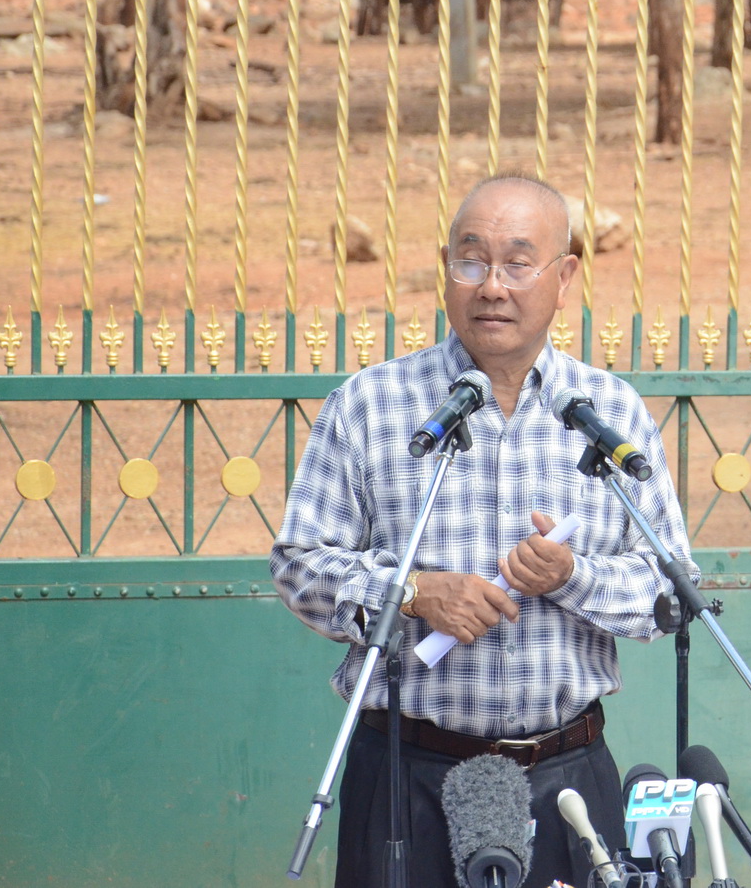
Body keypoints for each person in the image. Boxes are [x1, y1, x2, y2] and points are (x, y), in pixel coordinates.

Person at [272, 174, 692, 888]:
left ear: (563, 280)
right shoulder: (372, 404)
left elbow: (673, 592)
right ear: (446, 271)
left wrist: (571, 576)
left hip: (564, 778)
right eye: (471, 261)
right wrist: (411, 592)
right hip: (408, 777)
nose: (491, 286)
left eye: (517, 264)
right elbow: (300, 568)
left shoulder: (607, 411)